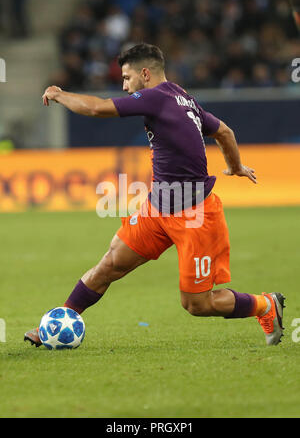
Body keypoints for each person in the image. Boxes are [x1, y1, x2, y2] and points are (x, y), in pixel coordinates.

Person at [24, 43, 285, 348]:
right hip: (157, 208)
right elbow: (224, 131)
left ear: (145, 74)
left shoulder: (156, 97)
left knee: (196, 305)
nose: (124, 85)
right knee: (109, 264)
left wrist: (58, 93)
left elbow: (95, 108)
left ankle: (264, 305)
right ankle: (57, 323)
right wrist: (235, 165)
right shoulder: (183, 97)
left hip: (195, 214)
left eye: (126, 77)